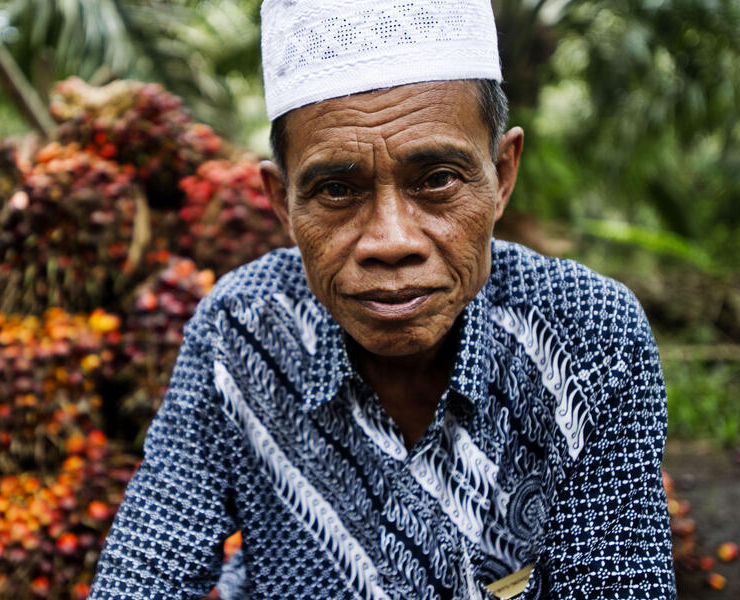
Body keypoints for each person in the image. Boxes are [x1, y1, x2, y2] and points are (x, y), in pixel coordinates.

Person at [89, 0, 674, 598]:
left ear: (501, 175)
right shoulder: (242, 328)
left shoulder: (589, 334)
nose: (390, 242)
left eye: (438, 179)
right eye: (337, 189)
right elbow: (147, 563)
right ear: (281, 201)